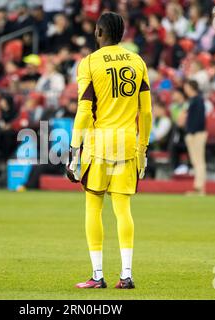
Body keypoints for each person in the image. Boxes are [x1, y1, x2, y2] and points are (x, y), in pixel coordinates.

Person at [67, 12, 152, 289]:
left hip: (99, 145)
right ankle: (126, 276)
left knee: (93, 207)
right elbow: (146, 111)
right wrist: (143, 148)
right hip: (127, 144)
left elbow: (83, 109)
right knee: (123, 209)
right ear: (122, 34)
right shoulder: (137, 62)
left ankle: (97, 275)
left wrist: (73, 150)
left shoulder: (89, 63)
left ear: (99, 32)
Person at [183, 80, 207, 195]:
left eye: (186, 87)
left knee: (199, 161)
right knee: (195, 161)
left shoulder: (198, 100)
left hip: (197, 133)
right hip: (192, 133)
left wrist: (191, 131)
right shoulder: (193, 100)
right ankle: (198, 187)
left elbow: (199, 119)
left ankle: (199, 187)